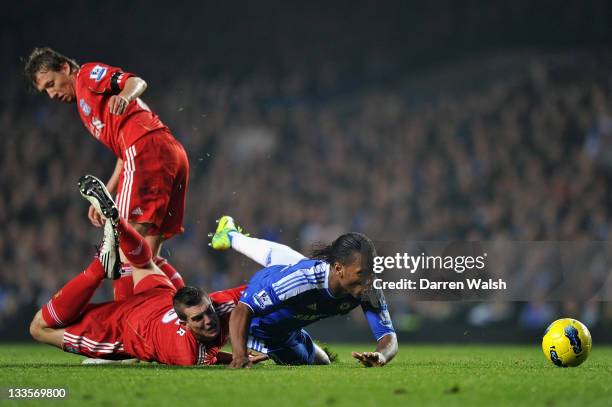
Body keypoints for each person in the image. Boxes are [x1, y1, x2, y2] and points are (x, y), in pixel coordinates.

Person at [29, 176, 265, 366]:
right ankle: (100, 266)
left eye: (206, 313)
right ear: (184, 323)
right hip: (120, 328)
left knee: (144, 261)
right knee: (39, 328)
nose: (207, 321)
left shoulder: (211, 308)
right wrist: (239, 353)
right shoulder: (188, 354)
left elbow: (253, 294)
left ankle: (119, 223)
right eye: (198, 318)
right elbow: (209, 357)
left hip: (159, 300)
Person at [24, 47, 188, 300]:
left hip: (146, 148)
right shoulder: (84, 104)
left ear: (65, 68)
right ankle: (176, 320)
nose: (52, 93)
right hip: (167, 152)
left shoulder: (87, 75)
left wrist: (125, 95)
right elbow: (123, 155)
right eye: (45, 90)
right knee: (145, 257)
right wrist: (107, 192)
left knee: (122, 245)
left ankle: (125, 322)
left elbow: (136, 82)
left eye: (51, 83)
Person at [209, 216, 398, 368]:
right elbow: (242, 310)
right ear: (339, 269)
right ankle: (232, 235)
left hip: (291, 307)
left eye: (373, 271)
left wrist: (381, 355)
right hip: (264, 329)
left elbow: (389, 337)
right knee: (314, 361)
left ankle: (231, 235)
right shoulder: (302, 281)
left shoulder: (367, 287)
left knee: (289, 261)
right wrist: (240, 356)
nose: (370, 280)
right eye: (362, 273)